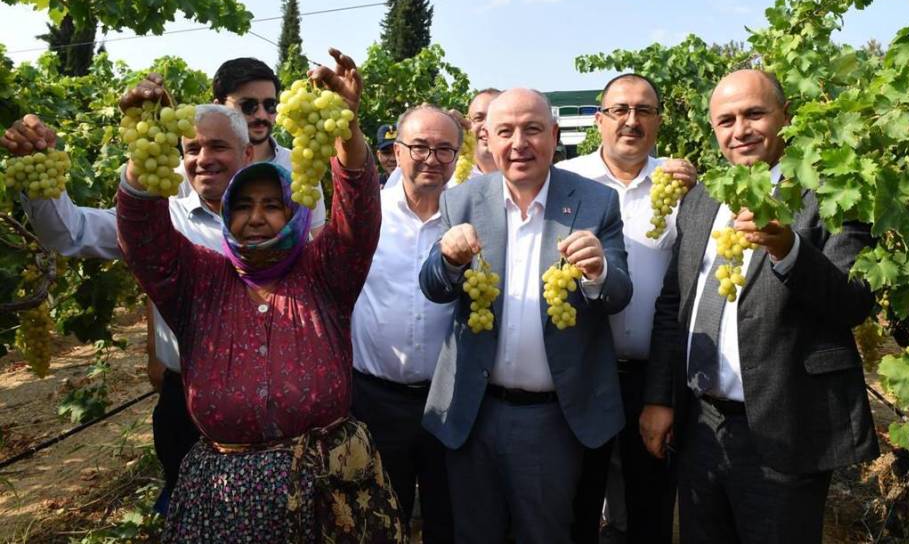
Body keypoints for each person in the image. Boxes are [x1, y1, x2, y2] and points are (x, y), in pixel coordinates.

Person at [116, 49, 404, 543]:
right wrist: (149, 142)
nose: (257, 216)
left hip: (331, 490)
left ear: (294, 210)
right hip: (226, 494)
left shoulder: (324, 272)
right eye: (243, 204)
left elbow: (359, 215)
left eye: (274, 204)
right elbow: (143, 234)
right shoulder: (199, 277)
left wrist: (348, 128)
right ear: (224, 213)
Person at [640, 69, 879, 544]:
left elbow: (853, 301)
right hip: (700, 426)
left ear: (785, 117)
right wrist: (659, 398)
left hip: (786, 426)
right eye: (726, 120)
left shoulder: (831, 191)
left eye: (754, 114)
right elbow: (674, 306)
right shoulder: (701, 199)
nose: (740, 130)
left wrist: (789, 249)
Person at [2, 102, 256, 513]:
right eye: (191, 149)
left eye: (217, 147)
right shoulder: (155, 221)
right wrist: (36, 169)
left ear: (246, 154)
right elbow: (71, 233)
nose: (203, 159)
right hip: (185, 402)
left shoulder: (284, 220)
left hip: (266, 394)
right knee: (191, 517)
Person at [419, 88, 633, 544]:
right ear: (488, 139)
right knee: (475, 533)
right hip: (474, 412)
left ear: (554, 136)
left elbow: (618, 293)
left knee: (546, 533)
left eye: (533, 129)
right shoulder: (461, 200)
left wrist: (598, 271)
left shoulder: (596, 203)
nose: (519, 143)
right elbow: (434, 287)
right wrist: (450, 261)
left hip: (554, 419)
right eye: (505, 131)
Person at [557, 73, 696, 544]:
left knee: (649, 511)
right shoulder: (565, 182)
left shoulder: (680, 189)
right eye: (619, 110)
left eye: (644, 111)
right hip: (579, 372)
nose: (631, 121)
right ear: (599, 119)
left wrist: (701, 199)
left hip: (651, 376)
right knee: (576, 507)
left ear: (658, 122)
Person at [350, 105, 462, 542]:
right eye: (419, 147)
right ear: (396, 151)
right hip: (376, 401)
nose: (432, 158)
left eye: (444, 149)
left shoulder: (473, 215)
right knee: (379, 520)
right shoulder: (364, 216)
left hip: (450, 402)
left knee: (448, 519)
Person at [178, 57, 327, 232]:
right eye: (249, 106)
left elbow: (317, 238)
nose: (262, 116)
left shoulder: (300, 168)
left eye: (270, 105)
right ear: (218, 107)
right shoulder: (189, 174)